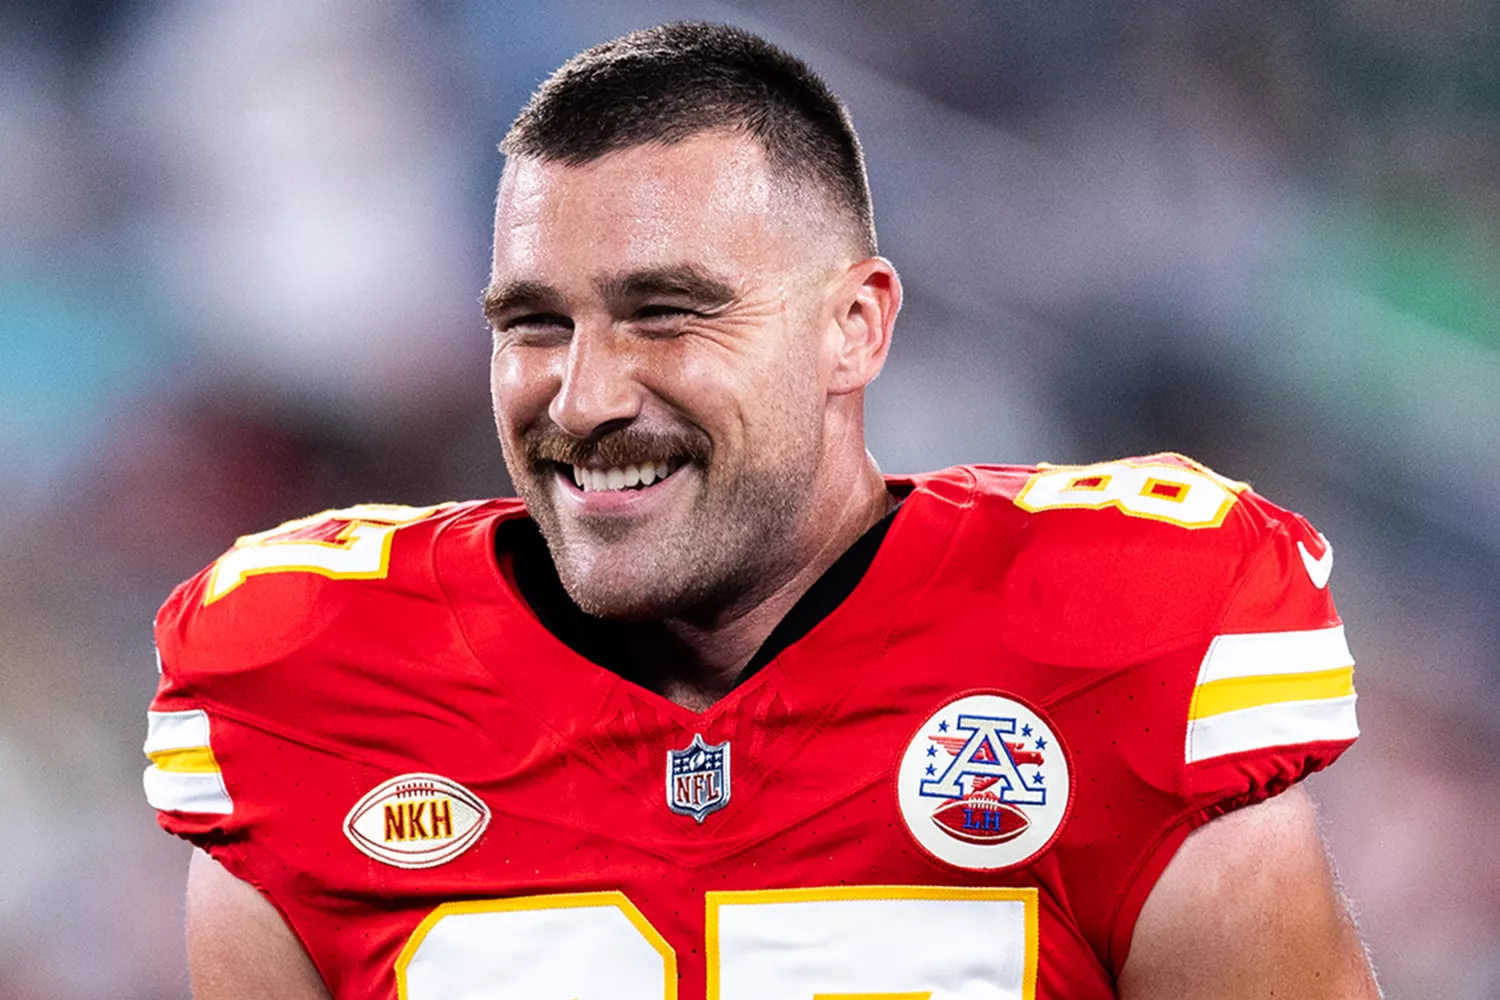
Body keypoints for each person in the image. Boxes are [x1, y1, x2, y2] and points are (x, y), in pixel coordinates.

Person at [143, 22, 1381, 1000]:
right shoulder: (305, 685)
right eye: (534, 323)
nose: (584, 396)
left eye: (667, 312)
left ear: (858, 326)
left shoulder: (1123, 634)